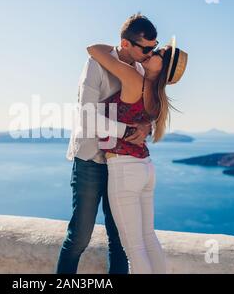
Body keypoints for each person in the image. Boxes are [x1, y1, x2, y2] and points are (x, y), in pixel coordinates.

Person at [56, 14, 158, 274]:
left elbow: (149, 115)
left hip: (121, 165)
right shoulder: (95, 64)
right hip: (91, 159)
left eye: (153, 48)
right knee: (79, 237)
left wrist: (147, 127)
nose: (149, 53)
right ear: (126, 44)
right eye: (145, 48)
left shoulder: (141, 71)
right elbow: (87, 117)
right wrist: (127, 131)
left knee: (120, 241)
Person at [86, 36, 188, 273]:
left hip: (125, 169)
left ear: (163, 68)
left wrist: (128, 44)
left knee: (134, 249)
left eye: (159, 54)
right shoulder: (158, 97)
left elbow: (93, 50)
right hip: (145, 168)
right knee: (149, 239)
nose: (154, 52)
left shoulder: (134, 79)